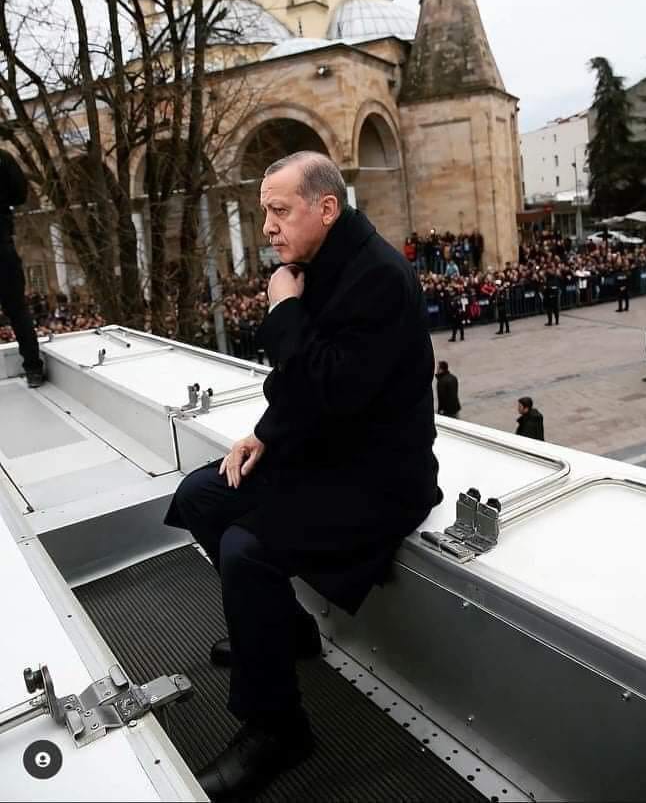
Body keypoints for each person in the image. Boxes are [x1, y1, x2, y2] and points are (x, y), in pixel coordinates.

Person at [164, 151, 442, 800]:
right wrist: (265, 432)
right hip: (323, 452)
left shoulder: (376, 276)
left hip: (377, 477)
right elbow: (301, 385)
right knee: (202, 495)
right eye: (265, 211)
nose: (267, 225)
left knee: (246, 548)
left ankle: (277, 729)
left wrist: (283, 310)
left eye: (279, 210)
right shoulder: (315, 264)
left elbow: (331, 390)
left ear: (327, 208)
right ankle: (286, 634)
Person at [0, 148, 44, 387]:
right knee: (17, 310)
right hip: (1, 245)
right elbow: (20, 195)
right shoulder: (3, 158)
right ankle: (33, 369)